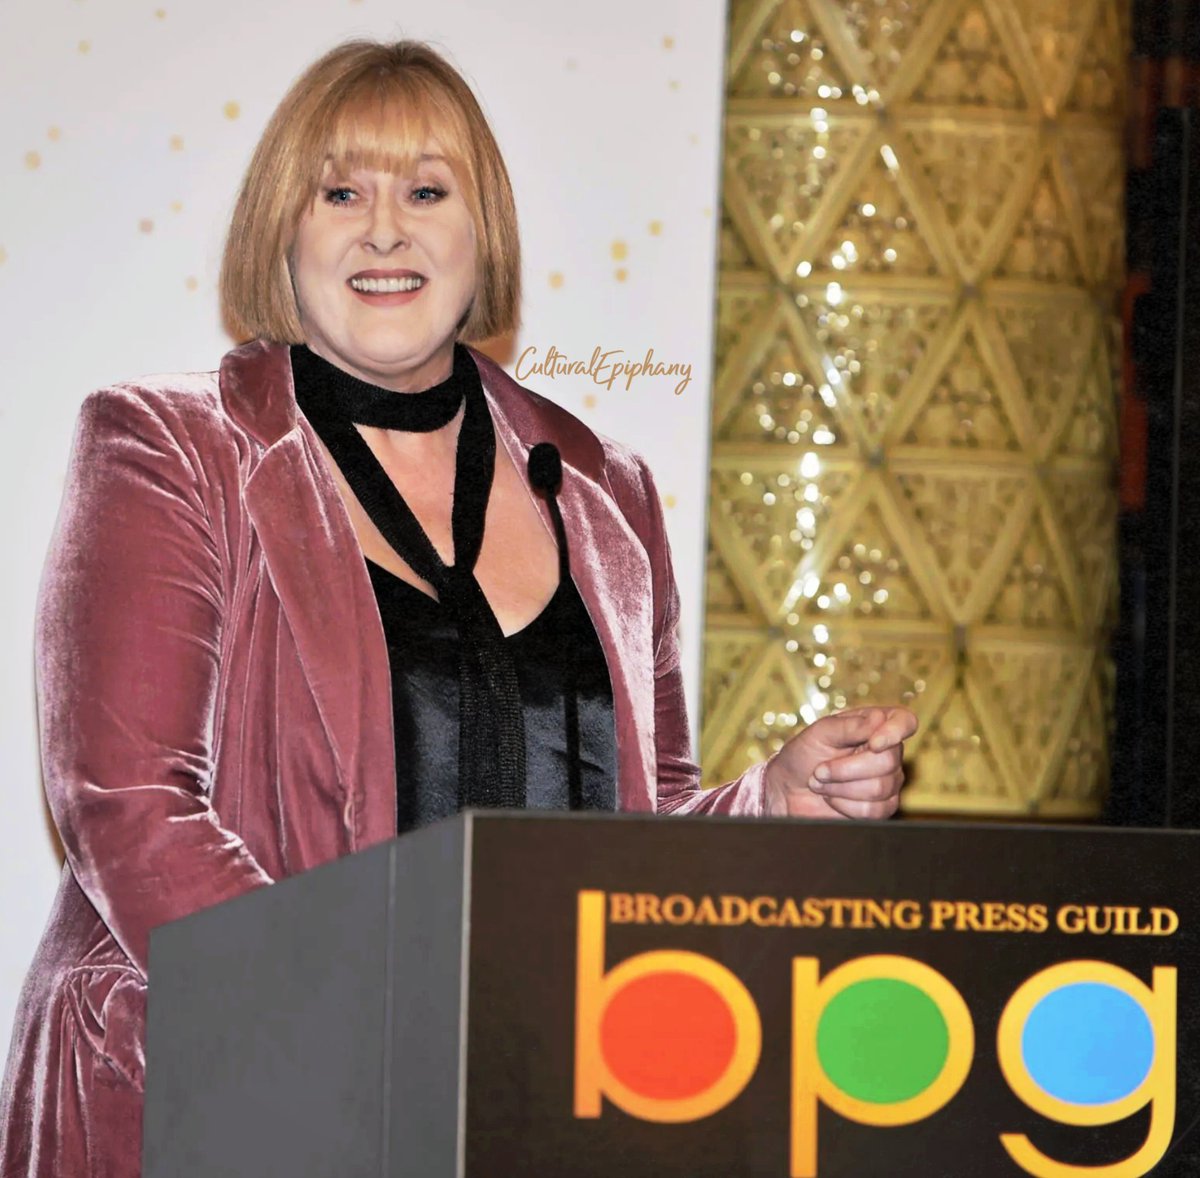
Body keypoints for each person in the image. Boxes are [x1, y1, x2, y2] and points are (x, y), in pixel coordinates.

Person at [0, 39, 916, 1177]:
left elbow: (631, 843)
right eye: (342, 192)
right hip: (232, 1095)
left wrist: (774, 802)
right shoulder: (172, 449)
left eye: (427, 192)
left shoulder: (602, 489)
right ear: (281, 230)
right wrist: (371, 1039)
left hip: (526, 1107)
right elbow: (131, 805)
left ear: (484, 240)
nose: (386, 230)